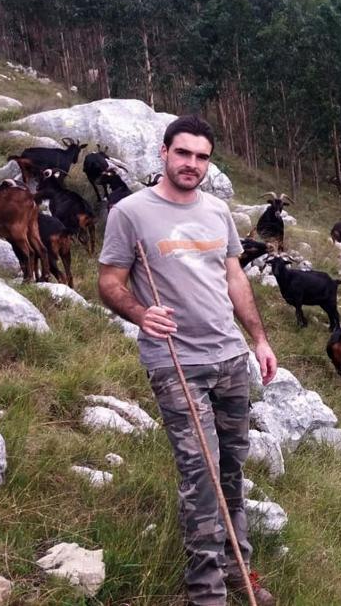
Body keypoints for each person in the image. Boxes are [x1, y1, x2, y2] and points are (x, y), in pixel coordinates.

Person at [98, 115, 278, 606]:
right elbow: (109, 282)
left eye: (201, 156)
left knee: (231, 471)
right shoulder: (131, 213)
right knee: (200, 473)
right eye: (183, 153)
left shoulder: (218, 212)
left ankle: (240, 568)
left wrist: (258, 339)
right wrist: (140, 313)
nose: (191, 164)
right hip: (174, 359)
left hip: (229, 357)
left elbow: (234, 279)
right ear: (164, 153)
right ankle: (207, 591)